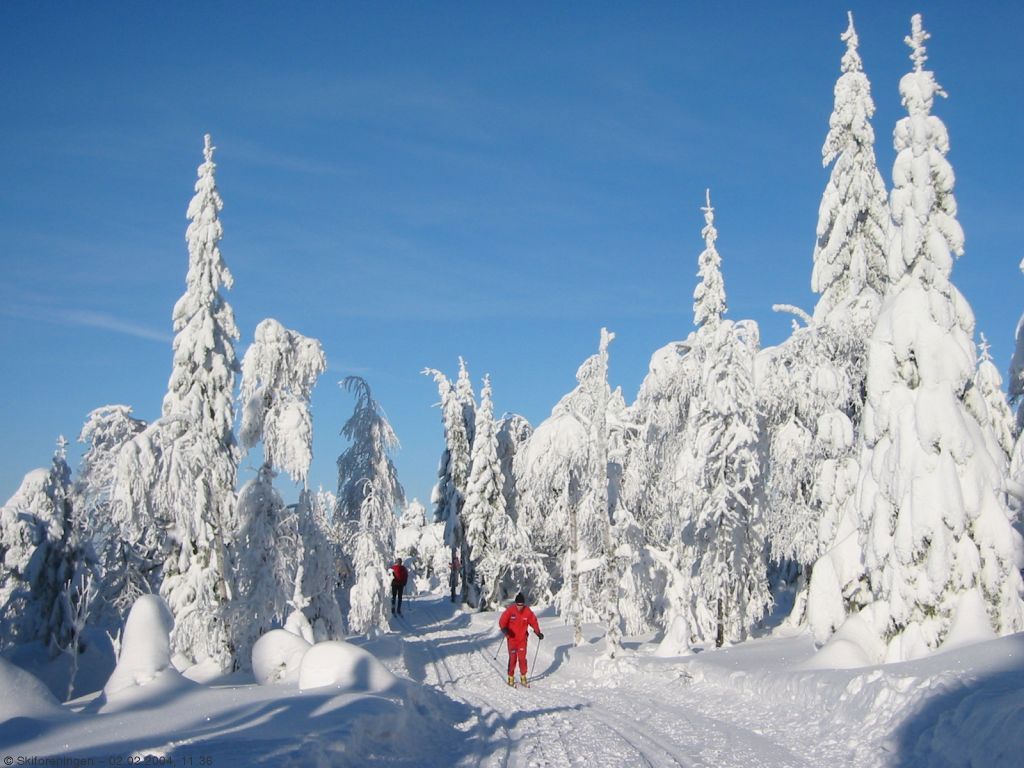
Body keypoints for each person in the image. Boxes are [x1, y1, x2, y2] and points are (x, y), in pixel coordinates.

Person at [498, 592, 543, 687]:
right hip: (512, 639)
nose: (520, 607)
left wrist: (538, 632)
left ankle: (523, 676)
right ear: (516, 603)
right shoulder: (510, 610)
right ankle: (511, 677)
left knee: (522, 659)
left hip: (522, 639)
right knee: (513, 658)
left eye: (521, 605)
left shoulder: (527, 611)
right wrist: (505, 630)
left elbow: (533, 621)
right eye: (518, 605)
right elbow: (502, 621)